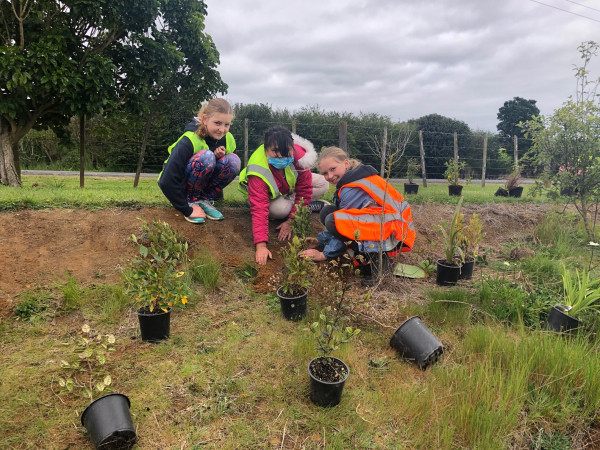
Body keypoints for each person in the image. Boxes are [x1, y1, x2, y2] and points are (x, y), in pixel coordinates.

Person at [300, 146, 416, 284]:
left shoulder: (351, 188)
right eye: (325, 173)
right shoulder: (353, 178)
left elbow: (343, 226)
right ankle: (367, 259)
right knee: (328, 212)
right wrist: (320, 240)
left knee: (333, 220)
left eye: (333, 169)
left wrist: (323, 254)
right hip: (386, 226)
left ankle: (380, 267)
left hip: (394, 232)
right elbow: (344, 219)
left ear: (346, 163)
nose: (330, 176)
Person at [238, 126, 327, 265]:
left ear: (293, 147)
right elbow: (259, 208)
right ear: (265, 149)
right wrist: (261, 246)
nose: (281, 155)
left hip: (285, 190)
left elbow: (304, 189)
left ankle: (299, 208)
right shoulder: (258, 170)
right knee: (280, 210)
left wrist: (291, 221)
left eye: (287, 151)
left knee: (323, 183)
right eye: (275, 151)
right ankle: (302, 208)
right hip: (263, 196)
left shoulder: (300, 159)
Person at [158, 98, 241, 224]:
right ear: (204, 119)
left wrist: (219, 159)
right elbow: (165, 181)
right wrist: (186, 210)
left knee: (233, 161)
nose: (222, 129)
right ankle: (191, 203)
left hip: (201, 188)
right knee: (207, 157)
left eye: (227, 124)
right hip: (178, 186)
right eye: (217, 123)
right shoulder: (190, 139)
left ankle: (203, 200)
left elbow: (229, 168)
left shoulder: (228, 138)